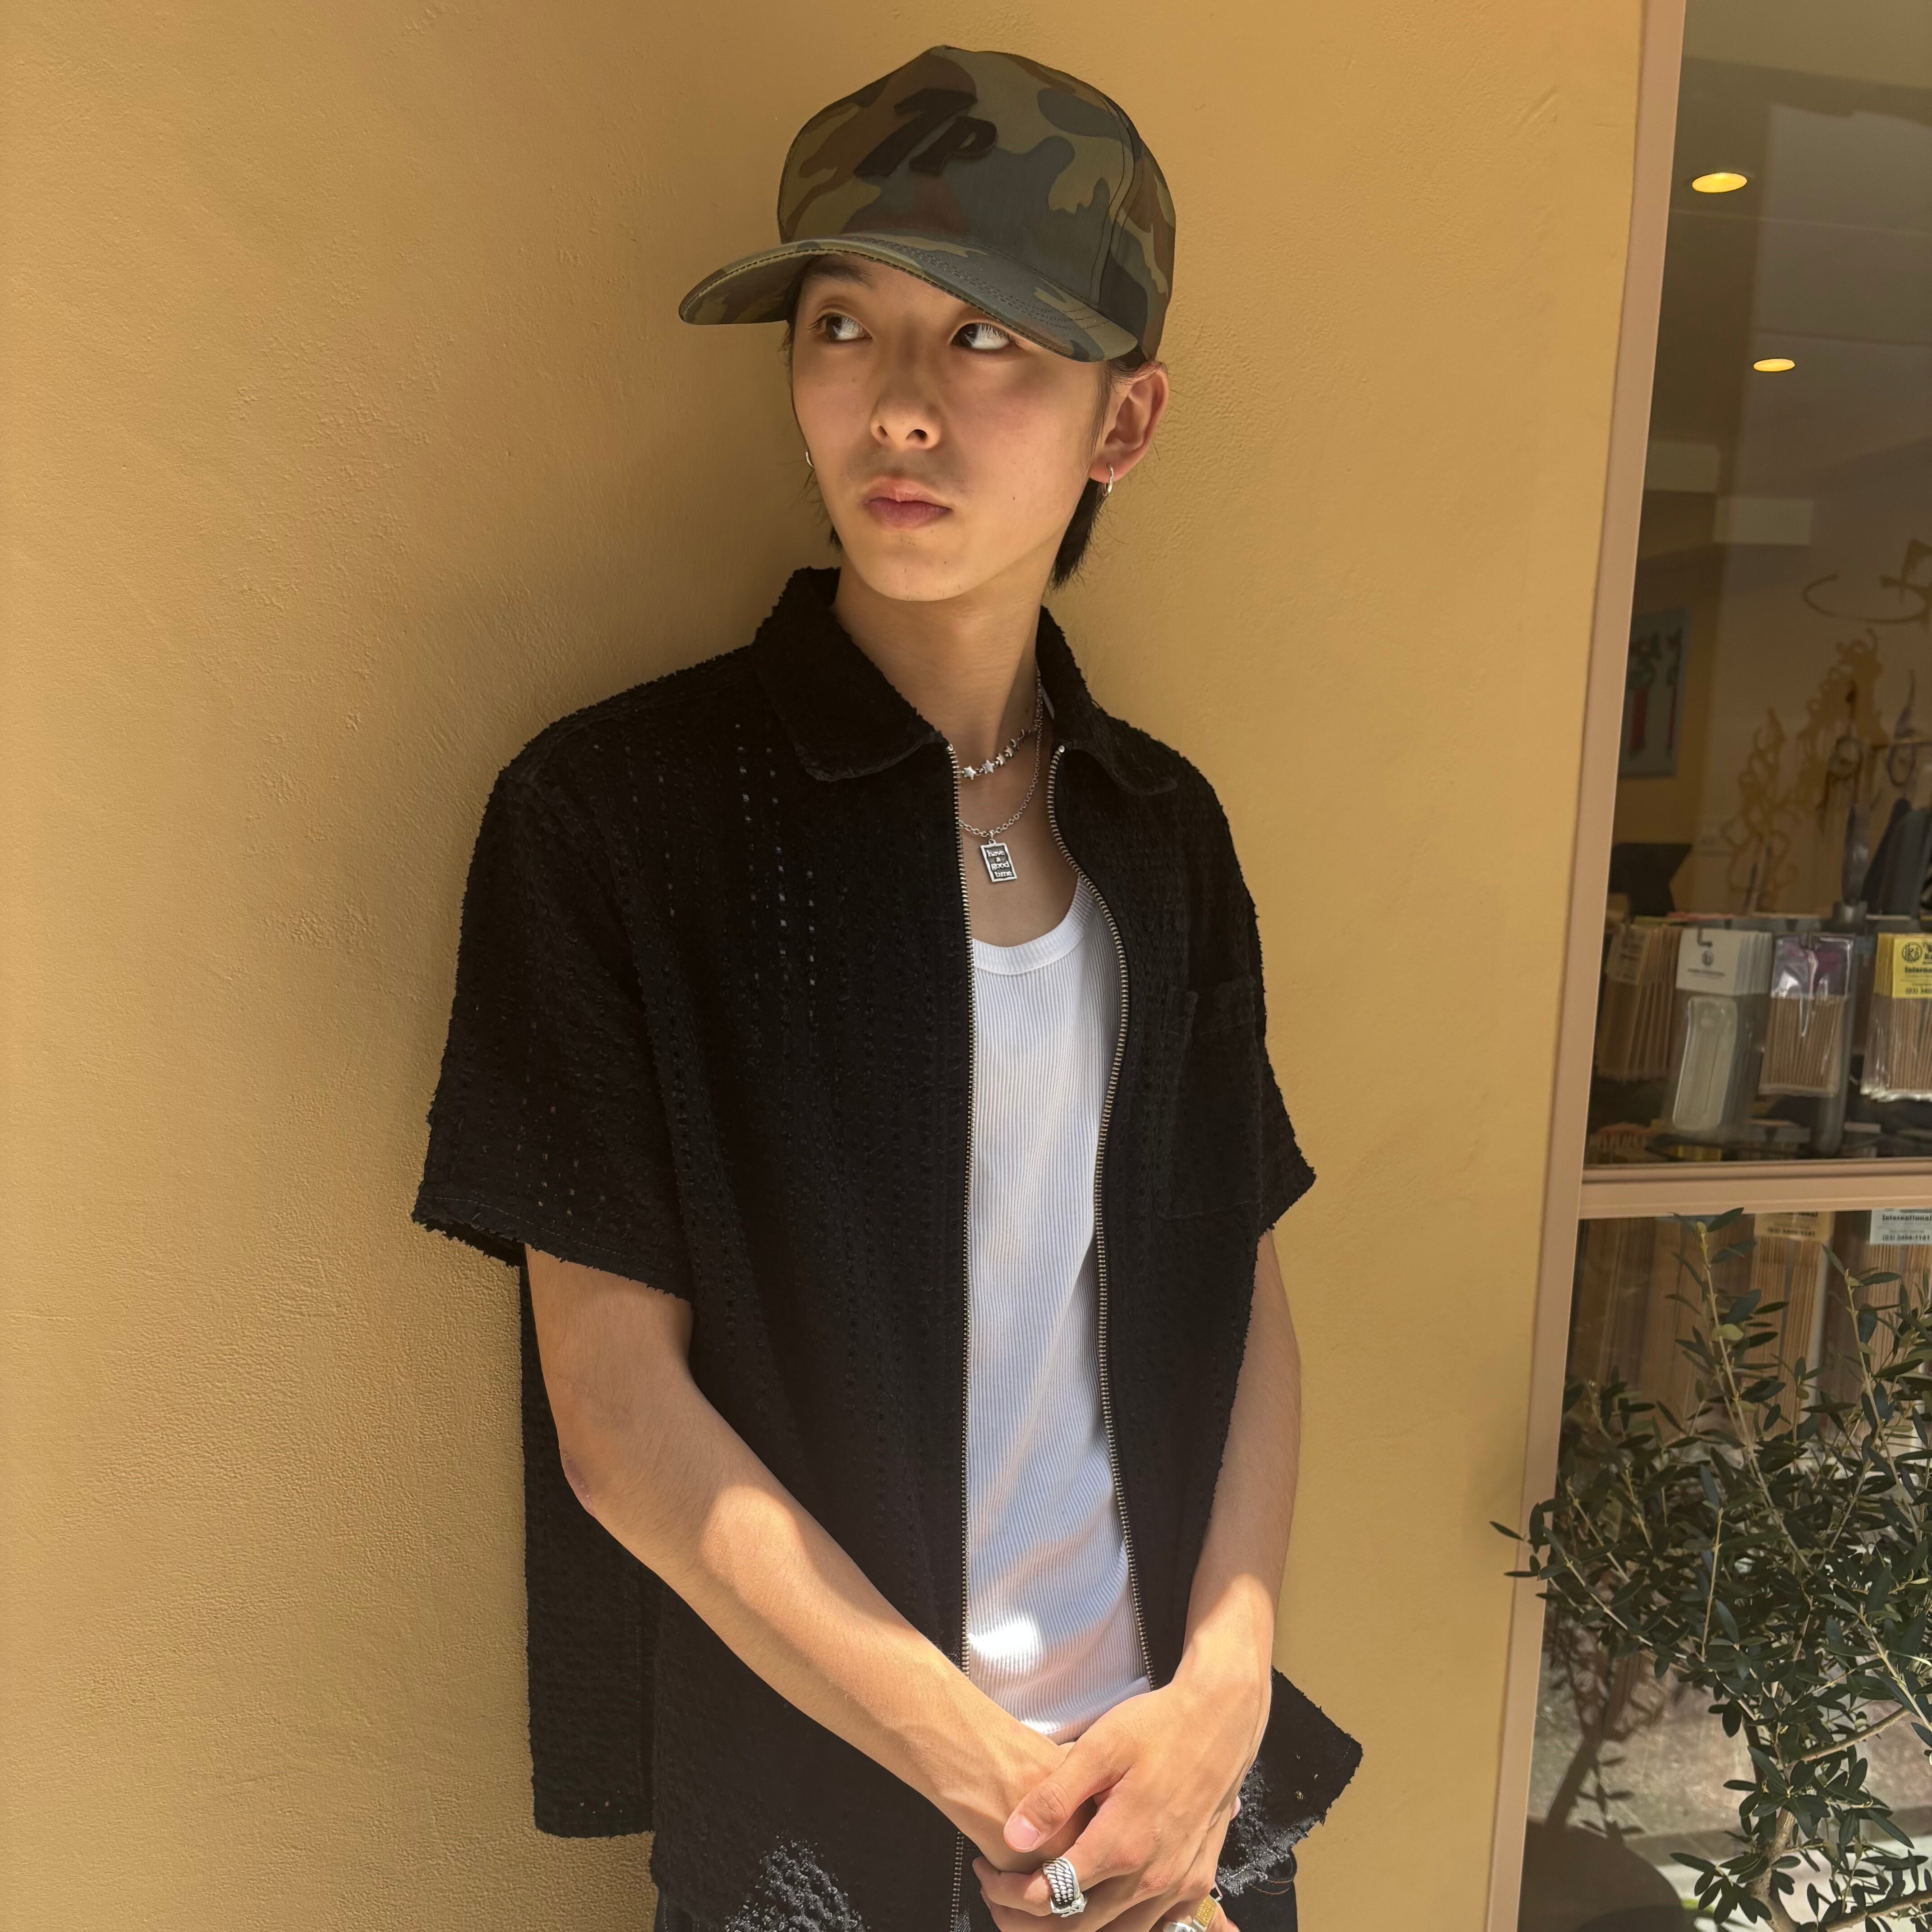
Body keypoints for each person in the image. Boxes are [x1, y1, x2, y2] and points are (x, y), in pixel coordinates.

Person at [411, 44, 1358, 1932]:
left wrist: (1219, 1705)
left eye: (987, 337)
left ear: (1124, 418)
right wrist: (1011, 1798)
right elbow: (616, 1416)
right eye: (844, 326)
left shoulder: (1160, 828)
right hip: (836, 1840)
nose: (902, 404)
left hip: (1176, 1827)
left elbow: (1240, 1284)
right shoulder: (619, 819)